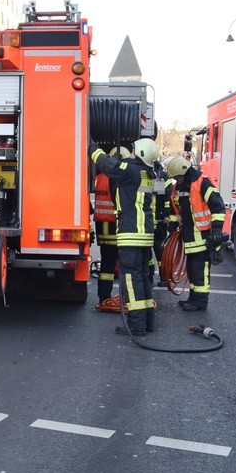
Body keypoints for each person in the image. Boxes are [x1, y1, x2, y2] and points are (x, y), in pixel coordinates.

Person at [89, 138, 159, 337]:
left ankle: (136, 325)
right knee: (143, 277)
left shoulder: (131, 171)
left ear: (142, 154)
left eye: (135, 152)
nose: (132, 155)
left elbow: (105, 163)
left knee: (131, 278)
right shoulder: (146, 174)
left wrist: (92, 147)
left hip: (131, 234)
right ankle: (147, 322)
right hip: (144, 234)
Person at [165, 155, 227, 312]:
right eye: (175, 178)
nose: (176, 180)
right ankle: (193, 298)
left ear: (185, 172)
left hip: (204, 237)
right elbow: (175, 209)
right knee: (192, 269)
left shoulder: (202, 183)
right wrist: (172, 224)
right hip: (190, 237)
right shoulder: (179, 187)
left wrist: (217, 230)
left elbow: (218, 207)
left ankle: (200, 301)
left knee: (200, 270)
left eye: (178, 176)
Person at [94, 146, 130, 311]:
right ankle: (128, 298)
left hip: (103, 226)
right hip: (116, 225)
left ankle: (104, 297)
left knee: (106, 265)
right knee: (126, 264)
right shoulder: (117, 178)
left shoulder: (99, 177)